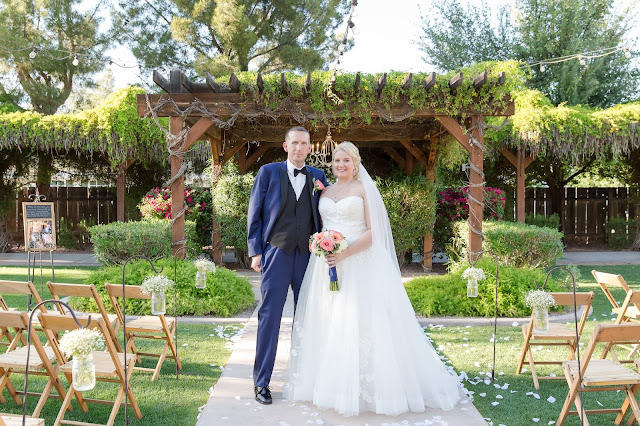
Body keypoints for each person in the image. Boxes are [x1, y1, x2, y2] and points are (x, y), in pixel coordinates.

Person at [284, 142, 461, 416]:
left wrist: (345, 253)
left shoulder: (364, 189)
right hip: (326, 266)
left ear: (355, 164)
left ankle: (371, 390)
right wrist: (323, 245)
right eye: (336, 160)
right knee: (331, 322)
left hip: (360, 264)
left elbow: (375, 231)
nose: (340, 165)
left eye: (346, 160)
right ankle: (331, 386)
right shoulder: (324, 190)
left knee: (364, 323)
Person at [247, 126, 329, 405]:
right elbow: (255, 213)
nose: (298, 148)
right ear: (285, 146)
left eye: (303, 144)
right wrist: (256, 252)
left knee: (307, 318)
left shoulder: (318, 177)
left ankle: (303, 380)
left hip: (309, 257)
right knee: (270, 318)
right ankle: (261, 384)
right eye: (293, 143)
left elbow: (326, 215)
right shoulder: (268, 172)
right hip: (276, 254)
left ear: (309, 148)